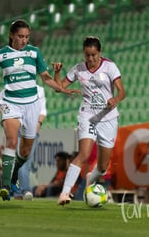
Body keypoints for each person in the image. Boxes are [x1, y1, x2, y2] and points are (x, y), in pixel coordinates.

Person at [0, 19, 78, 201]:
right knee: (11, 140)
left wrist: (62, 88)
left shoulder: (34, 52)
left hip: (32, 104)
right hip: (11, 102)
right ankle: (5, 186)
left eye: (27, 37)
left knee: (25, 152)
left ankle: (13, 177)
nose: (24, 40)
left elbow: (45, 78)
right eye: (20, 36)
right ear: (11, 35)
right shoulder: (0, 55)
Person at [54, 36, 126, 206]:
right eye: (88, 55)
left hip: (108, 118)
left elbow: (122, 91)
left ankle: (90, 181)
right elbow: (60, 88)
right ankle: (65, 193)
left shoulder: (110, 66)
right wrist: (57, 73)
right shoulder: (78, 69)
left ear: (99, 53)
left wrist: (116, 100)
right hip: (88, 116)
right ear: (84, 54)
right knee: (84, 154)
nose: (91, 59)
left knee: (102, 166)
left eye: (94, 55)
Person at [0, 84, 47, 200]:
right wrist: (7, 115)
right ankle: (23, 191)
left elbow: (42, 110)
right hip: (17, 130)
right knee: (20, 160)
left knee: (24, 159)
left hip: (31, 131)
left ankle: (13, 184)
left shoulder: (39, 90)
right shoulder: (13, 87)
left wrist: (38, 124)